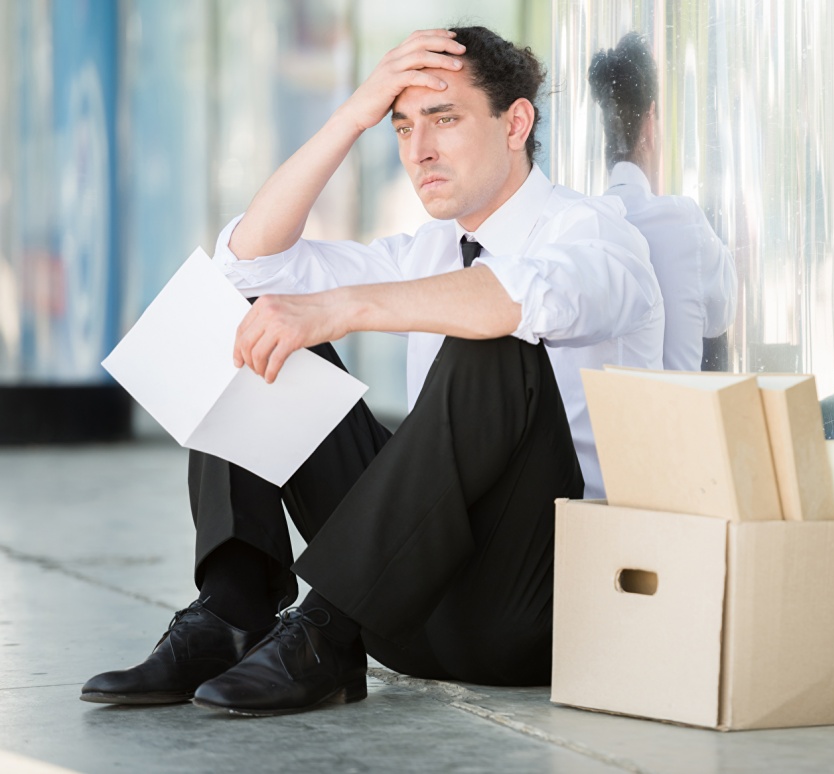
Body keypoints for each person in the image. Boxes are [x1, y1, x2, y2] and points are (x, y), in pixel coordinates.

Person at [80, 26, 663, 717]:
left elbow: (524, 298)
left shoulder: (594, 232)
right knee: (245, 310)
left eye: (443, 119)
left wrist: (342, 307)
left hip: (537, 607)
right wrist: (352, 114)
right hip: (406, 599)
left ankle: (324, 627)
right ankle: (234, 614)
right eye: (402, 127)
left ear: (516, 122)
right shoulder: (427, 249)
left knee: (494, 337)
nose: (420, 150)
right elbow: (246, 264)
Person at [588, 33, 736, 371]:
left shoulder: (579, 226)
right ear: (651, 123)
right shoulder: (684, 221)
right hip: (682, 420)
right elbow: (722, 314)